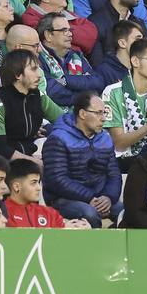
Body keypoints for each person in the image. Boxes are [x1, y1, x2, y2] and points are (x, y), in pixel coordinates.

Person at [42, 91, 121, 227]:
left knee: (127, 212)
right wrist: (89, 198)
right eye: (98, 113)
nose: (103, 118)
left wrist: (108, 197)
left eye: (104, 113)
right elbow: (57, 179)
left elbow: (114, 175)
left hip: (99, 197)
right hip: (64, 198)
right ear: (83, 114)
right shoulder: (58, 138)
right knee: (89, 214)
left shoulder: (105, 138)